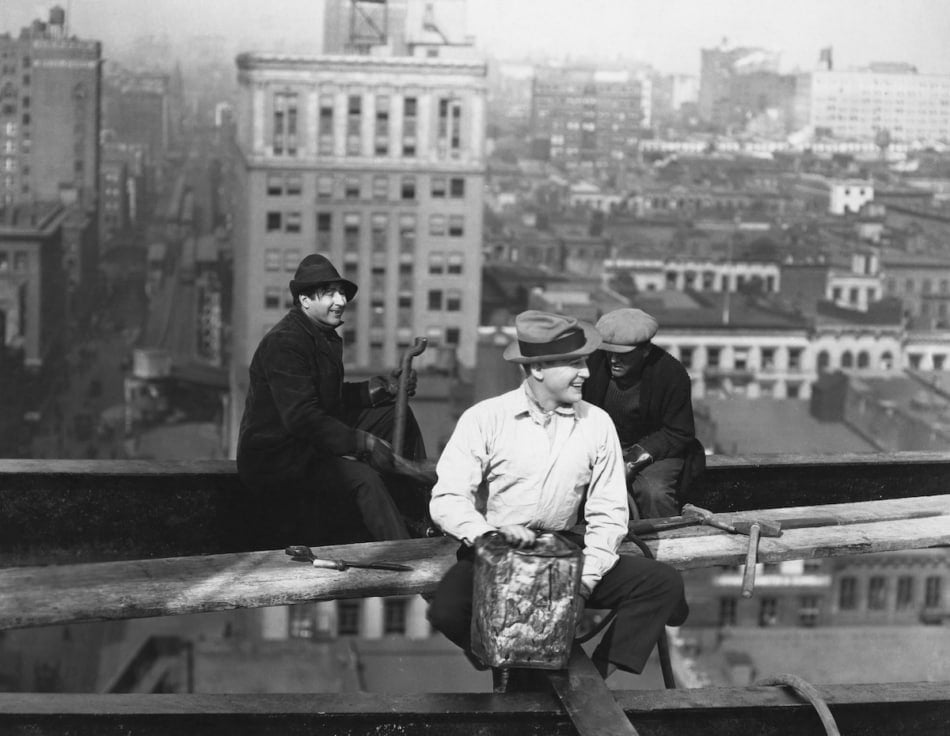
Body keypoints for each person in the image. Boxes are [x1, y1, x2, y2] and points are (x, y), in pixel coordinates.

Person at [427, 310, 688, 680]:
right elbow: (447, 498)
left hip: (564, 554)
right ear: (537, 369)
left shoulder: (596, 423)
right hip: (498, 553)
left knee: (662, 583)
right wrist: (487, 535)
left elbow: (609, 514)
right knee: (447, 610)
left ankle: (594, 677)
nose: (586, 372)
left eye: (584, 362)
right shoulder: (485, 419)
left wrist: (585, 581)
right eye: (574, 363)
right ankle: (499, 653)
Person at [237, 253, 428, 547]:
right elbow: (303, 417)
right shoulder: (285, 343)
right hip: (279, 460)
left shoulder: (319, 334)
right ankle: (406, 552)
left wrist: (382, 388)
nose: (340, 301)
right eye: (329, 293)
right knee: (363, 478)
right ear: (304, 300)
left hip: (305, 442)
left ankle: (416, 511)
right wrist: (363, 443)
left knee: (391, 414)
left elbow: (329, 398)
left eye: (341, 293)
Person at [583, 308, 703, 520]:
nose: (613, 360)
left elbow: (679, 432)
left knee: (654, 493)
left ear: (645, 351)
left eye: (623, 355)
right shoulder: (591, 365)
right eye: (609, 352)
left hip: (657, 451)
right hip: (603, 446)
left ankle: (669, 545)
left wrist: (631, 461)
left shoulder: (671, 374)